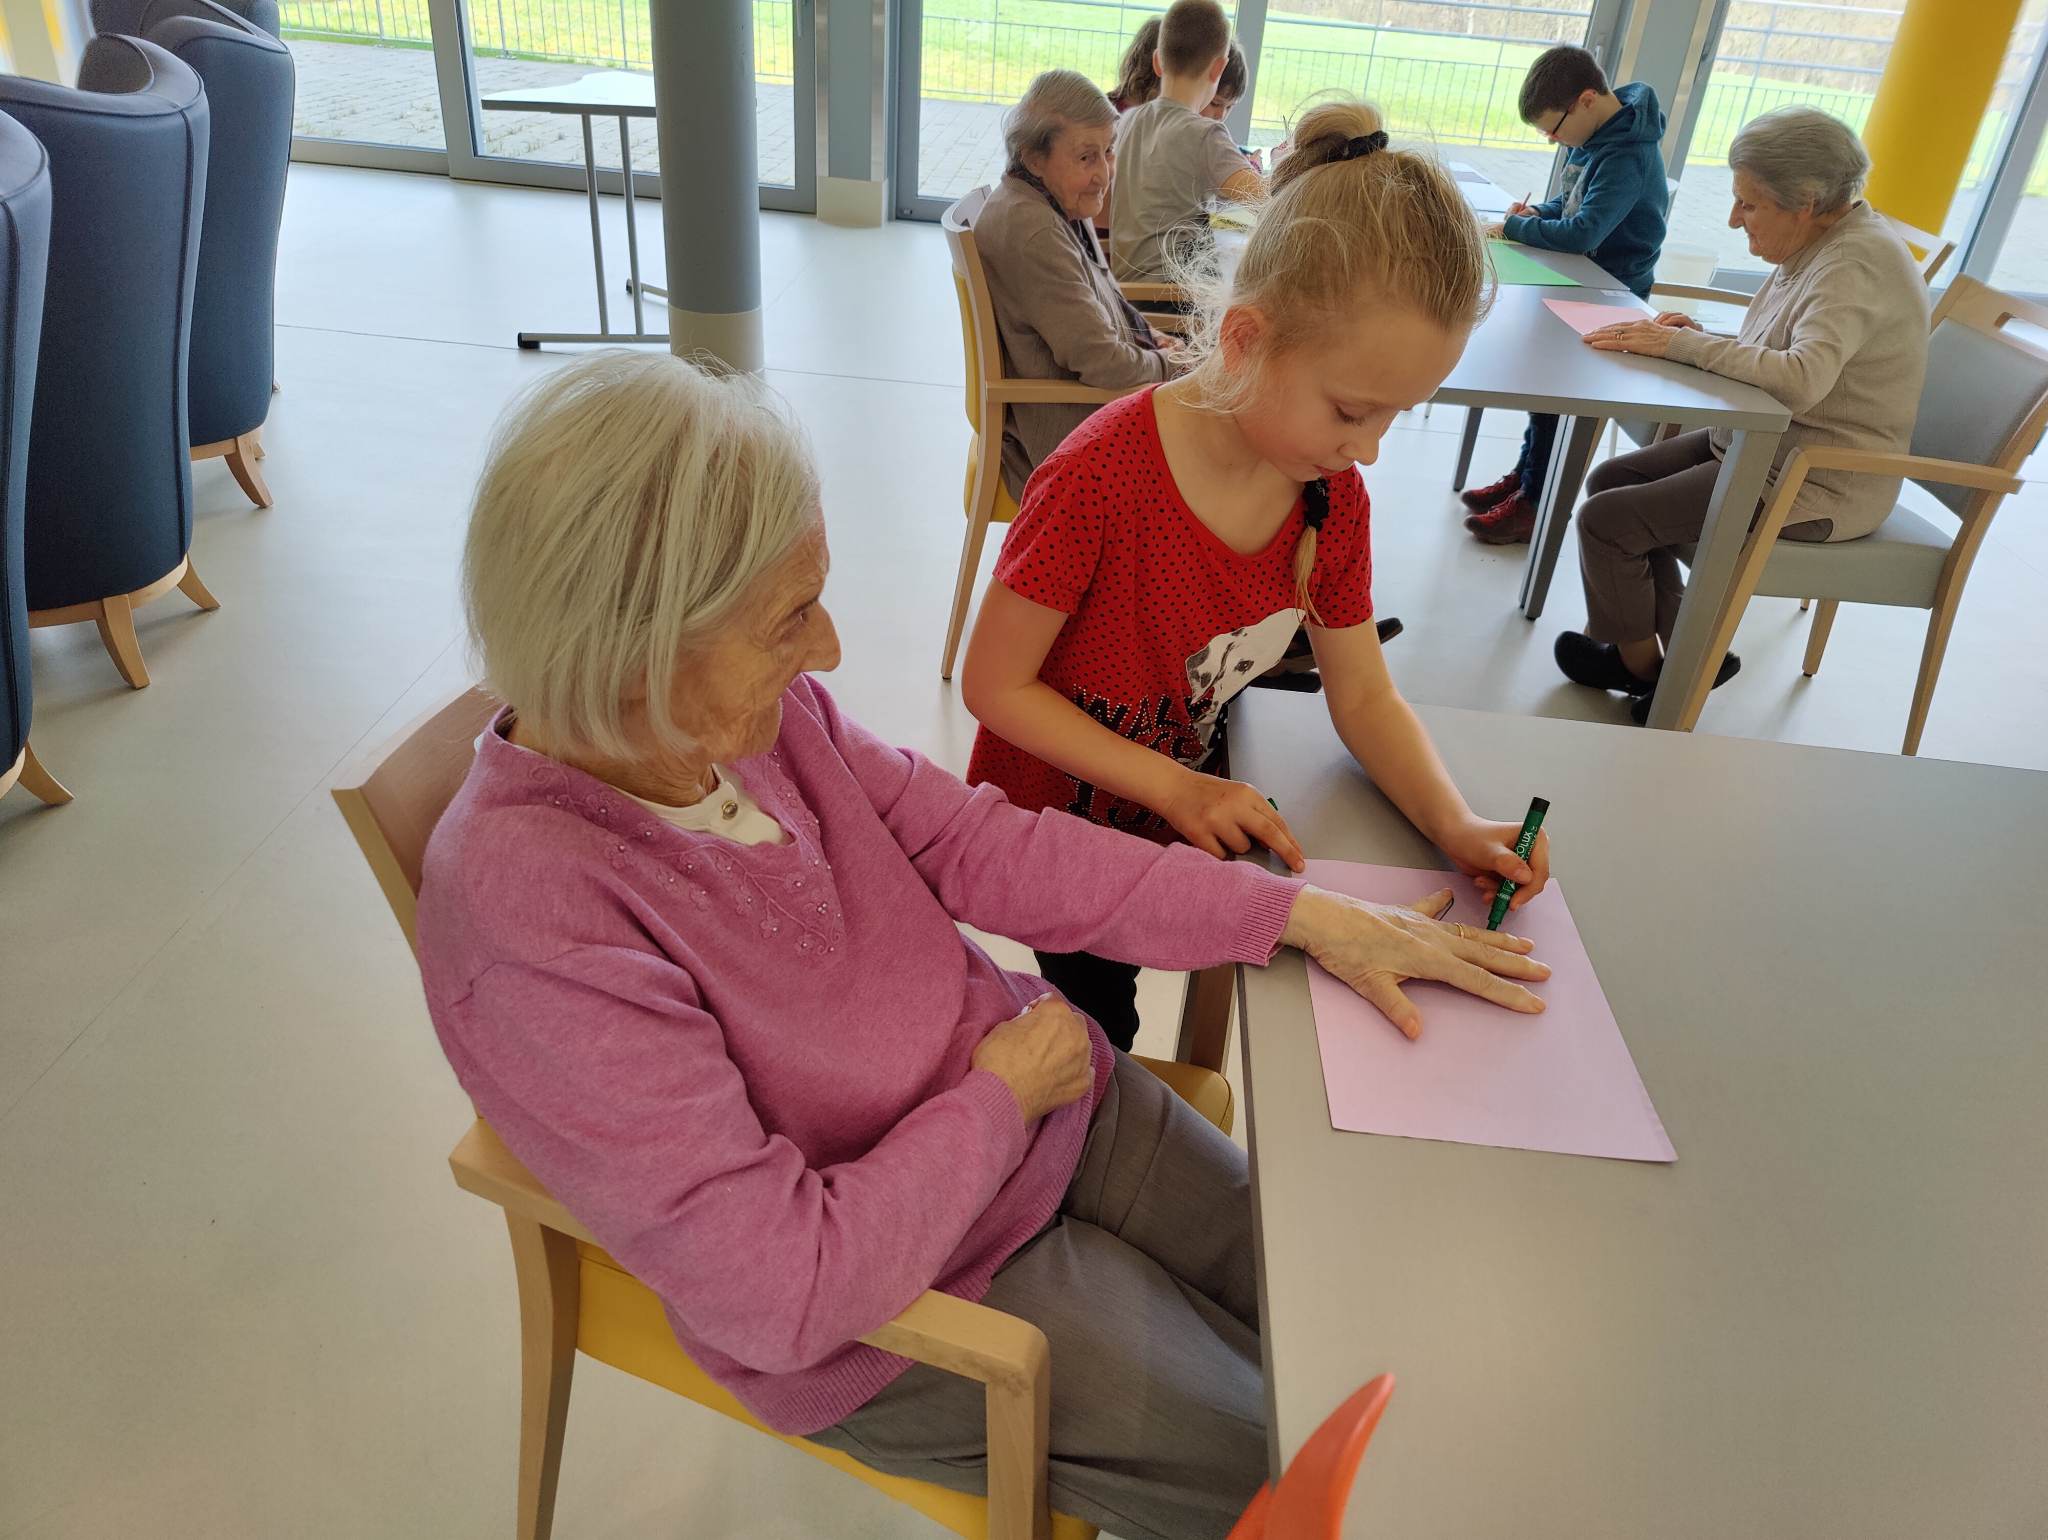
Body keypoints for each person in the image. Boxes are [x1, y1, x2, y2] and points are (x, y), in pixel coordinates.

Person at [418, 351, 1551, 1540]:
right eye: (788, 618)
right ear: (634, 652)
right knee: (1314, 1480)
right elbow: (780, 1292)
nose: (829, 651)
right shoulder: (531, 922)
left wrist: (1291, 916)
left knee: (1347, 1318)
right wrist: (996, 1104)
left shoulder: (750, 720)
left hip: (1046, 1098)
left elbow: (980, 844)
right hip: (912, 1282)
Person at [961, 100, 1557, 1052]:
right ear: (1244, 341)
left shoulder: (1330, 498)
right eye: (1352, 412)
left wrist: (1454, 821)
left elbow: (1364, 696)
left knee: (1226, 969)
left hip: (1181, 800)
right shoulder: (1100, 477)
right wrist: (1175, 787)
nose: (1369, 449)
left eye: (1397, 416)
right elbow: (994, 687)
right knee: (1096, 1026)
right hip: (1068, 826)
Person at [1557, 106, 1930, 725]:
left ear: (1805, 201)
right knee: (1610, 480)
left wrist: (1682, 346)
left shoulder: (1853, 263)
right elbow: (1788, 347)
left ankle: (1647, 670)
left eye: (1748, 205)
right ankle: (1691, 651)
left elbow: (1803, 378)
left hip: (1816, 478)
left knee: (1607, 521)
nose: (1734, 219)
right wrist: (1701, 337)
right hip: (1766, 442)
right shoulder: (1824, 240)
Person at [1466, 45, 1670, 545]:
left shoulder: (1628, 153)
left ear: (1586, 100)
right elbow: (1573, 202)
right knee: (1543, 393)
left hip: (1611, 295)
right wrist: (1540, 213)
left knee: (1554, 397)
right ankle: (1527, 478)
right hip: (1582, 281)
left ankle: (1536, 501)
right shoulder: (1597, 135)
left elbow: (1583, 232)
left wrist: (1514, 227)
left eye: (1553, 129)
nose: (1553, 140)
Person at [973, 68, 1181, 500]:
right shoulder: (1035, 232)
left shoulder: (1054, 201)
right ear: (1034, 157)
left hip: (1092, 413)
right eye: (1087, 157)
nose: (1104, 173)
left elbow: (1105, 301)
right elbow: (1105, 364)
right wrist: (1174, 367)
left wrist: (1154, 338)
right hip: (1074, 444)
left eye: (1109, 151)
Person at [1109, 0, 1263, 284]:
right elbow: (1265, 202)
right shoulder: (1205, 135)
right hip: (1171, 295)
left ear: (1158, 61)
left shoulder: (1128, 121)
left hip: (1125, 291)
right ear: (1218, 69)